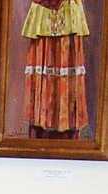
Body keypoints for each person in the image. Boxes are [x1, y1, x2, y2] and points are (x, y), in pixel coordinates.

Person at [22, 0, 89, 139]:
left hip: (68, 13)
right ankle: (40, 128)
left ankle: (67, 132)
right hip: (43, 14)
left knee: (67, 63)